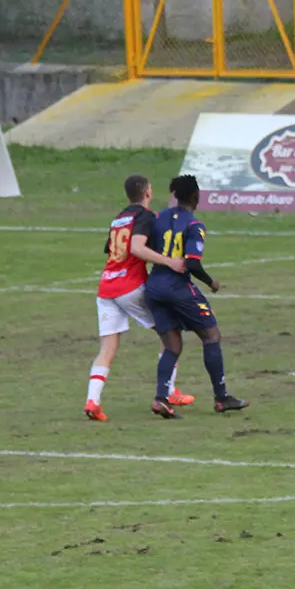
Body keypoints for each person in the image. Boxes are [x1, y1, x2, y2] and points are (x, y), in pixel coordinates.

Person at [85, 174, 190, 421]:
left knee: (107, 348)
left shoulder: (118, 219)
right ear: (147, 193)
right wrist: (170, 262)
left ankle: (92, 400)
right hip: (129, 287)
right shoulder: (144, 217)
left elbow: (113, 250)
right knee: (171, 333)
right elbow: (137, 249)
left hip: (106, 288)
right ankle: (169, 391)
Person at [145, 174, 248, 417]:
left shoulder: (158, 218)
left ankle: (161, 398)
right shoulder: (194, 225)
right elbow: (192, 264)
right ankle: (221, 397)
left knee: (172, 345)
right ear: (195, 196)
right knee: (211, 335)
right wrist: (211, 282)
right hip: (177, 288)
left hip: (154, 288)